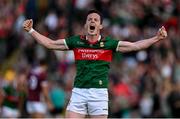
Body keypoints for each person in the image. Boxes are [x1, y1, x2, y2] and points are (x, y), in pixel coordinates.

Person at [23, 9, 167, 118]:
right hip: (79, 92)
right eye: (89, 19)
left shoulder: (108, 43)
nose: (92, 21)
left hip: (99, 94)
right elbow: (50, 44)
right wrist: (31, 30)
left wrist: (156, 38)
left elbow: (135, 46)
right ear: (86, 24)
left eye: (95, 20)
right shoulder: (76, 41)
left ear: (100, 26)